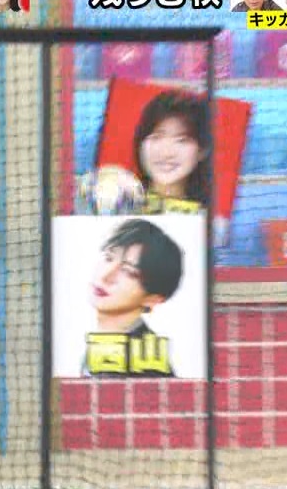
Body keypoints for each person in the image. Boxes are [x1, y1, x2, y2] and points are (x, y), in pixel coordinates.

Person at [84, 219, 183, 378]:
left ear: (153, 299)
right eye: (109, 258)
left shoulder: (146, 366)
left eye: (128, 272)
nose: (106, 276)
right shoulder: (105, 343)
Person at [132, 89, 211, 214]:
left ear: (202, 150)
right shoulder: (118, 209)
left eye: (182, 140)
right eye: (156, 137)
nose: (167, 153)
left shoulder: (209, 219)